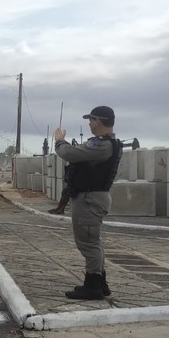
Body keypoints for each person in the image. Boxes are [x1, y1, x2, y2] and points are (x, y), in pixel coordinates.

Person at [54, 106, 122, 300]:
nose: (90, 124)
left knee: (88, 243)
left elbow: (70, 153)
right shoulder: (105, 144)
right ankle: (99, 283)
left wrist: (59, 141)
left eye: (91, 120)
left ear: (98, 121)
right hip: (91, 197)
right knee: (92, 242)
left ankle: (93, 287)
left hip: (90, 199)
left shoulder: (103, 145)